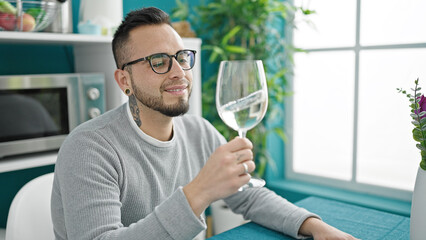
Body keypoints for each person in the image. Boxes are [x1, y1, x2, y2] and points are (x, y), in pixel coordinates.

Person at [51, 6, 359, 240]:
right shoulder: (88, 148)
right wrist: (199, 191)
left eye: (181, 57)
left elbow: (248, 195)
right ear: (124, 80)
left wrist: (317, 228)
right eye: (158, 61)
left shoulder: (198, 131)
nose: (178, 72)